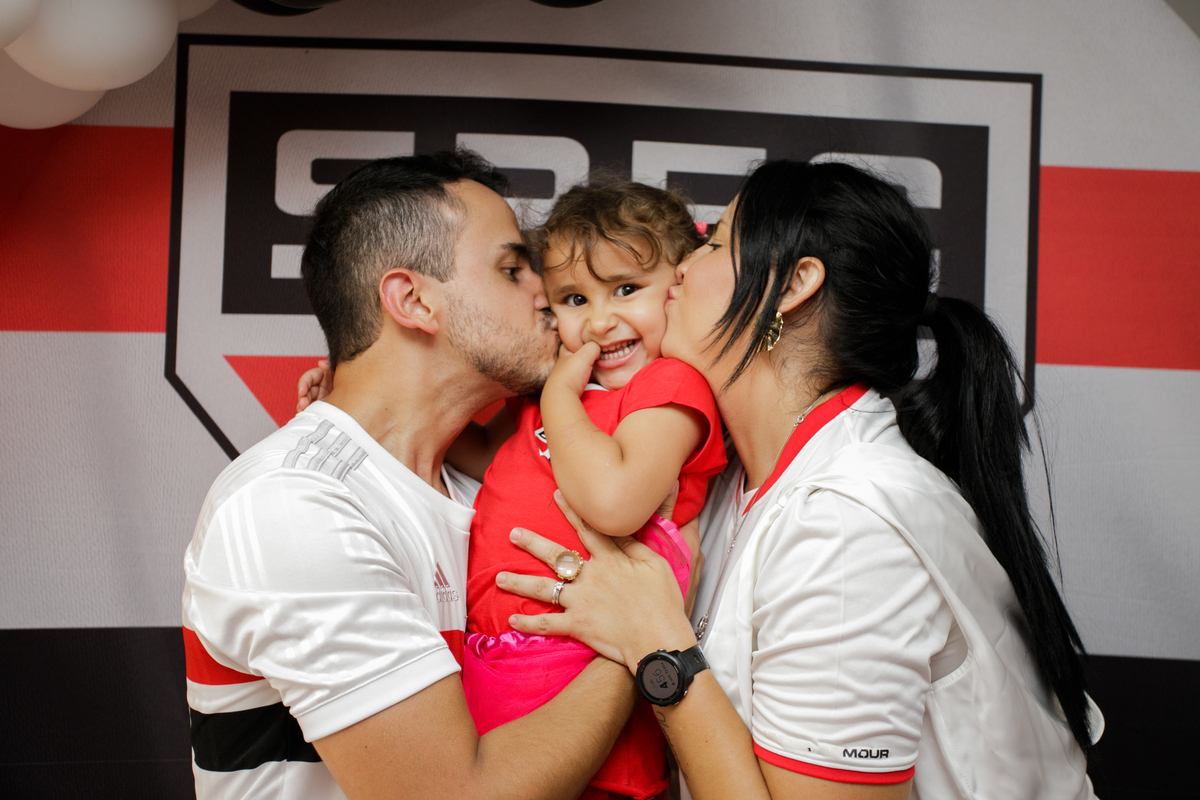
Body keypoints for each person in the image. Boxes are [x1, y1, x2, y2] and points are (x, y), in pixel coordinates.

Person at [499, 160, 1102, 799]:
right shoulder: (730, 472)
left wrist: (656, 644)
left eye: (713, 244)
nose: (679, 268)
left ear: (791, 284)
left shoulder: (846, 526)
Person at [181, 150, 637, 800]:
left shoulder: (488, 486)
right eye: (512, 269)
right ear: (413, 300)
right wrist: (644, 642)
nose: (547, 293)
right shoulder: (292, 505)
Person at [455, 182, 726, 799]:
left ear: (678, 285)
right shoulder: (557, 391)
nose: (601, 322)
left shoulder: (667, 386)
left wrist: (558, 396)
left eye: (627, 289)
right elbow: (485, 455)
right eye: (576, 299)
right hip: (499, 660)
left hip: (589, 672)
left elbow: (613, 502)